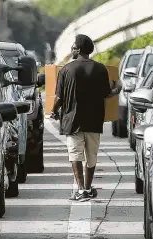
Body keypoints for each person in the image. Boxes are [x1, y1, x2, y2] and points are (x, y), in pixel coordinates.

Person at [50, 34, 122, 202]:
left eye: (74, 47)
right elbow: (107, 94)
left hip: (72, 120)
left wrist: (54, 110)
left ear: (78, 49)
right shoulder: (100, 69)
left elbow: (59, 97)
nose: (72, 49)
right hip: (94, 120)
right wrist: (117, 89)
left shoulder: (66, 70)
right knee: (91, 155)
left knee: (75, 154)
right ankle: (88, 188)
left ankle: (81, 189)